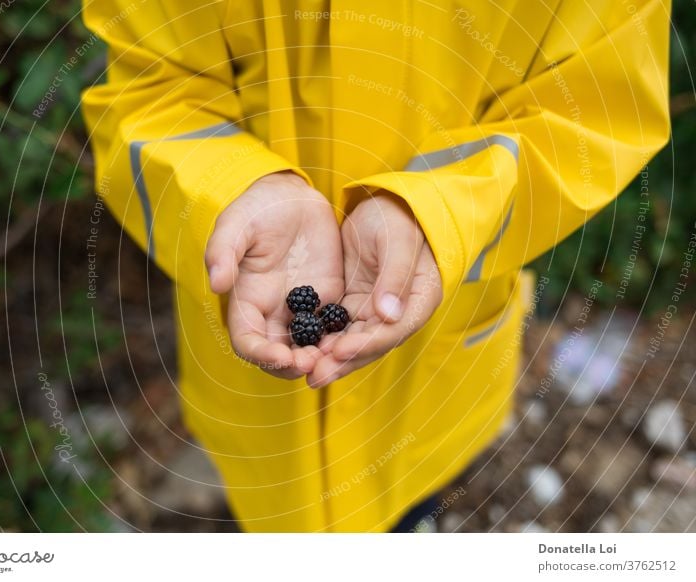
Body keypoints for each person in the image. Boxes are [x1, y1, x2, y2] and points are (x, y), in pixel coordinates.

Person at [81, 0, 670, 532]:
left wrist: (439, 214)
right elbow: (150, 94)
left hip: (429, 375)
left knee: (410, 506)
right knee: (270, 507)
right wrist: (232, 189)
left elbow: (594, 112)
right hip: (256, 385)